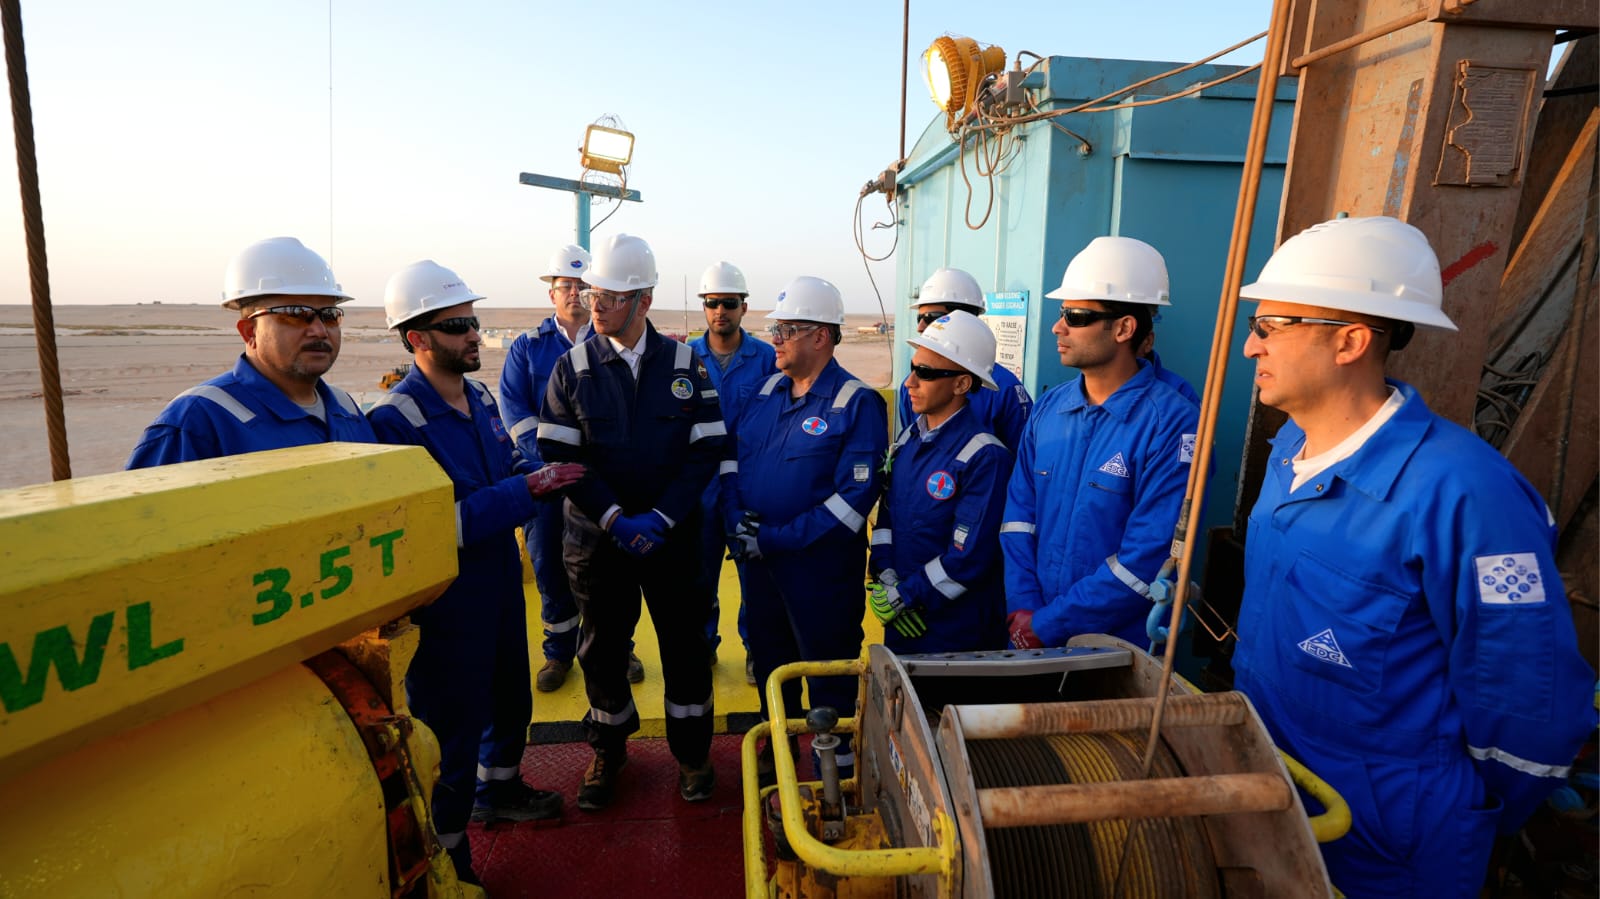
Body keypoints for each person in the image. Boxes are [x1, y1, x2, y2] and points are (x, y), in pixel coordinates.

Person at [1229, 215, 1595, 898]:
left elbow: (1530, 704)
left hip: (1391, 841)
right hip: (1276, 788)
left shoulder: (1466, 493)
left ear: (1350, 340)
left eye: (1271, 325)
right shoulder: (1290, 451)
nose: (1251, 345)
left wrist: (1452, 814)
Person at [368, 260, 584, 885]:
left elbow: (504, 463)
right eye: (457, 326)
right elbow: (436, 524)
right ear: (417, 338)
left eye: (474, 322)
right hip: (448, 602)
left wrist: (534, 472)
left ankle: (502, 789)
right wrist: (528, 490)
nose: (473, 335)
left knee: (509, 699)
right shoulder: (396, 422)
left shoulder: (480, 398)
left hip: (496, 585)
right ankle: (449, 863)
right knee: (452, 732)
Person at [537, 233, 724, 809]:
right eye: (592, 293)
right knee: (602, 653)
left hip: (673, 541)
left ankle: (692, 755)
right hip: (597, 543)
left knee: (686, 649)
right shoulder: (571, 369)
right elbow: (559, 456)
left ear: (644, 301)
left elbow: (706, 450)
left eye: (610, 296)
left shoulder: (686, 365)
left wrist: (661, 519)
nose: (594, 305)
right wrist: (616, 519)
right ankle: (609, 752)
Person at [721, 275, 888, 779]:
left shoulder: (857, 403)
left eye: (785, 331)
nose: (774, 339)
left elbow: (852, 503)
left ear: (819, 336)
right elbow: (730, 460)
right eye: (774, 330)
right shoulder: (764, 392)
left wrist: (773, 538)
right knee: (771, 663)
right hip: (761, 568)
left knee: (826, 674)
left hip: (820, 576)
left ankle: (836, 776)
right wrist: (735, 520)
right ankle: (778, 755)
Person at [1000, 236, 1200, 649]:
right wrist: (1023, 608)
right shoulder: (1050, 408)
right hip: (1033, 633)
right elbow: (1018, 517)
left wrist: (1047, 624)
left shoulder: (1172, 424)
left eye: (1076, 316)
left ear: (1124, 328)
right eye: (1062, 314)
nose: (1058, 327)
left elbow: (1149, 557)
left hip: (1115, 649)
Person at [498, 244, 645, 692]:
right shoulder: (528, 348)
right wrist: (553, 466)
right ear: (552, 293)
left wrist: (590, 468)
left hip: (598, 484)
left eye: (584, 286)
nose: (575, 293)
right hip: (545, 484)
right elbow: (515, 412)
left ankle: (619, 648)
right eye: (567, 285)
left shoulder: (611, 344)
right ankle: (558, 653)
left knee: (610, 569)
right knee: (550, 567)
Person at [127, 237, 373, 467]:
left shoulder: (347, 410)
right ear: (249, 332)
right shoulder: (198, 421)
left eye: (329, 316)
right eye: (296, 315)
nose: (319, 331)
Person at [868, 311, 1011, 653]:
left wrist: (906, 596)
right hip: (901, 618)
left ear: (962, 384)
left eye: (926, 373)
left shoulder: (986, 456)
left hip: (956, 632)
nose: (909, 382)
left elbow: (969, 557)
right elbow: (887, 518)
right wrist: (885, 577)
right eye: (913, 368)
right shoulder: (907, 440)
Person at [687, 261, 777, 684]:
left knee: (753, 575)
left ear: (744, 307)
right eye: (712, 303)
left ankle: (757, 649)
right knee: (699, 574)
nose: (719, 311)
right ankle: (702, 646)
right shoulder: (685, 357)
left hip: (747, 484)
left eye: (728, 302)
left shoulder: (766, 358)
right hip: (700, 485)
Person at [895, 267, 1032, 447]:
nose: (920, 327)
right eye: (919, 318)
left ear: (965, 318)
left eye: (931, 318)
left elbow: (1021, 454)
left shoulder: (1004, 389)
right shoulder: (911, 386)